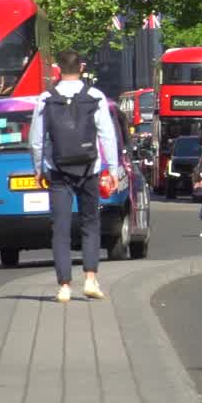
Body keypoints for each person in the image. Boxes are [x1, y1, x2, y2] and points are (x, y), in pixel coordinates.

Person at [28, 49, 121, 304]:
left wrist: (38, 168)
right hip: (89, 169)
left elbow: (37, 139)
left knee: (60, 228)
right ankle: (90, 278)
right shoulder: (95, 96)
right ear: (81, 67)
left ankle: (65, 286)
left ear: (58, 68)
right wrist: (112, 170)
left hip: (58, 171)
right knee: (90, 223)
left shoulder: (46, 98)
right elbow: (107, 136)